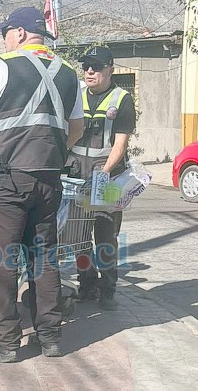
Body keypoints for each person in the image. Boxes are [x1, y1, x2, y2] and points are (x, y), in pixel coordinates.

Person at [0, 6, 84, 362]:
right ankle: (51, 337)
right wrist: (52, 152)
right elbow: (75, 129)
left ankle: (5, 341)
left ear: (18, 33)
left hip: (5, 180)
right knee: (44, 259)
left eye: (4, 34)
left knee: (2, 261)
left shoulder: (3, 66)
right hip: (48, 180)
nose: (3, 40)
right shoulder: (69, 73)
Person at [67, 45, 136, 311]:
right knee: (78, 236)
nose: (89, 71)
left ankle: (108, 289)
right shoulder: (77, 96)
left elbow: (120, 144)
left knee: (106, 235)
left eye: (95, 66)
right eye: (86, 66)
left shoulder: (122, 99)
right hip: (77, 173)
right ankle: (86, 284)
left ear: (110, 70)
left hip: (107, 175)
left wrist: (104, 173)